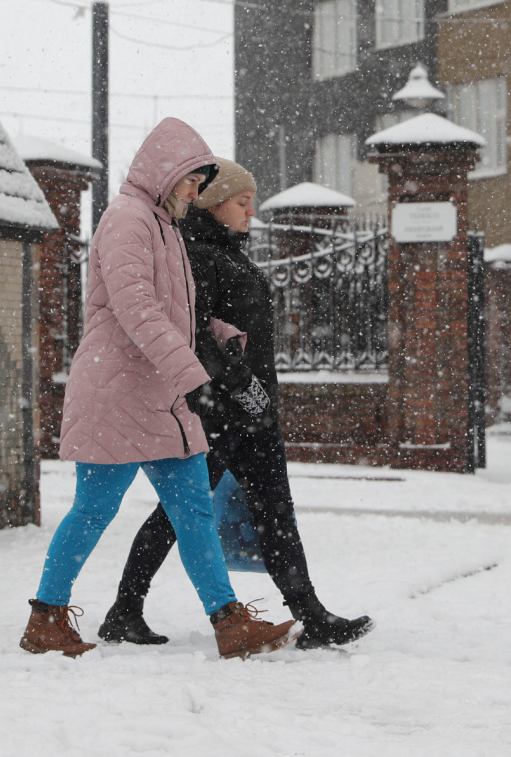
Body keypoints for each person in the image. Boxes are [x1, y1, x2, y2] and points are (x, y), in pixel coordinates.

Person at [20, 120, 303, 660]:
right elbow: (137, 310)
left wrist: (221, 335)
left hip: (161, 395)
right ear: (168, 175)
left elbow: (177, 312)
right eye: (193, 182)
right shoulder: (126, 220)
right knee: (93, 509)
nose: (196, 194)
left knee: (194, 510)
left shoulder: (165, 226)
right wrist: (194, 377)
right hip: (116, 393)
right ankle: (46, 618)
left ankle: (229, 622)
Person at [98, 157, 374, 650]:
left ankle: (311, 614)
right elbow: (194, 333)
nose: (251, 212)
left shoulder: (229, 252)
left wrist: (257, 396)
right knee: (179, 514)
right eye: (243, 202)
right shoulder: (194, 257)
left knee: (275, 513)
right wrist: (239, 383)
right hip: (219, 412)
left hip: (254, 411)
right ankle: (125, 609)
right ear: (213, 202)